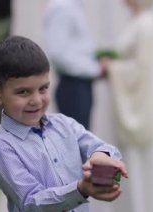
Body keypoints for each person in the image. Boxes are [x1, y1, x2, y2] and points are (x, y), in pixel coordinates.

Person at [0, 35, 128, 212]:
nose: (36, 100)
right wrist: (80, 189)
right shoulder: (1, 148)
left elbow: (102, 148)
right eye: (23, 92)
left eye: (43, 88)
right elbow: (31, 202)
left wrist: (99, 156)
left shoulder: (64, 124)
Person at [105, 0, 153, 212]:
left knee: (147, 166)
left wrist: (111, 68)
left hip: (145, 108)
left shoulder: (146, 25)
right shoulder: (139, 22)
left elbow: (143, 70)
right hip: (140, 104)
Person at [43, 0, 107, 130]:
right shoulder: (62, 7)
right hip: (73, 87)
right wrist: (95, 69)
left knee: (83, 140)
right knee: (77, 143)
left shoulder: (72, 6)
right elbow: (58, 54)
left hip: (80, 85)